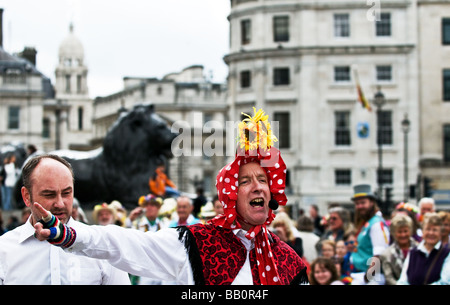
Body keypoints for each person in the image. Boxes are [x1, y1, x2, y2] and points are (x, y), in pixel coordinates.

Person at [33, 108, 308, 285]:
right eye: (245, 180)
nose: (258, 187)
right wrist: (69, 234)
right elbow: (124, 243)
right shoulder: (195, 242)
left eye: (263, 180)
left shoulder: (289, 261)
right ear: (230, 194)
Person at [0, 154, 130, 284]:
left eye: (66, 193)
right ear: (26, 196)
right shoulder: (4, 249)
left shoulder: (102, 246)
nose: (60, 204)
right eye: (49, 194)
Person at [350, 184, 390, 285]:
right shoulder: (367, 223)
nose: (359, 206)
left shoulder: (376, 223)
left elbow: (379, 254)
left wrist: (367, 278)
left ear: (372, 202)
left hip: (372, 277)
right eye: (357, 203)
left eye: (363, 203)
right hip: (360, 275)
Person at [397, 212, 450, 285]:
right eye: (428, 229)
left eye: (435, 230)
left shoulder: (446, 254)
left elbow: (445, 282)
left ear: (440, 232)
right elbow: (403, 280)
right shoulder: (413, 253)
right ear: (422, 231)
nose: (431, 233)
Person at [379, 214, 418, 285]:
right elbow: (389, 278)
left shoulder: (420, 249)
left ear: (410, 231)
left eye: (405, 231)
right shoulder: (387, 254)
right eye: (399, 232)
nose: (403, 235)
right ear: (394, 233)